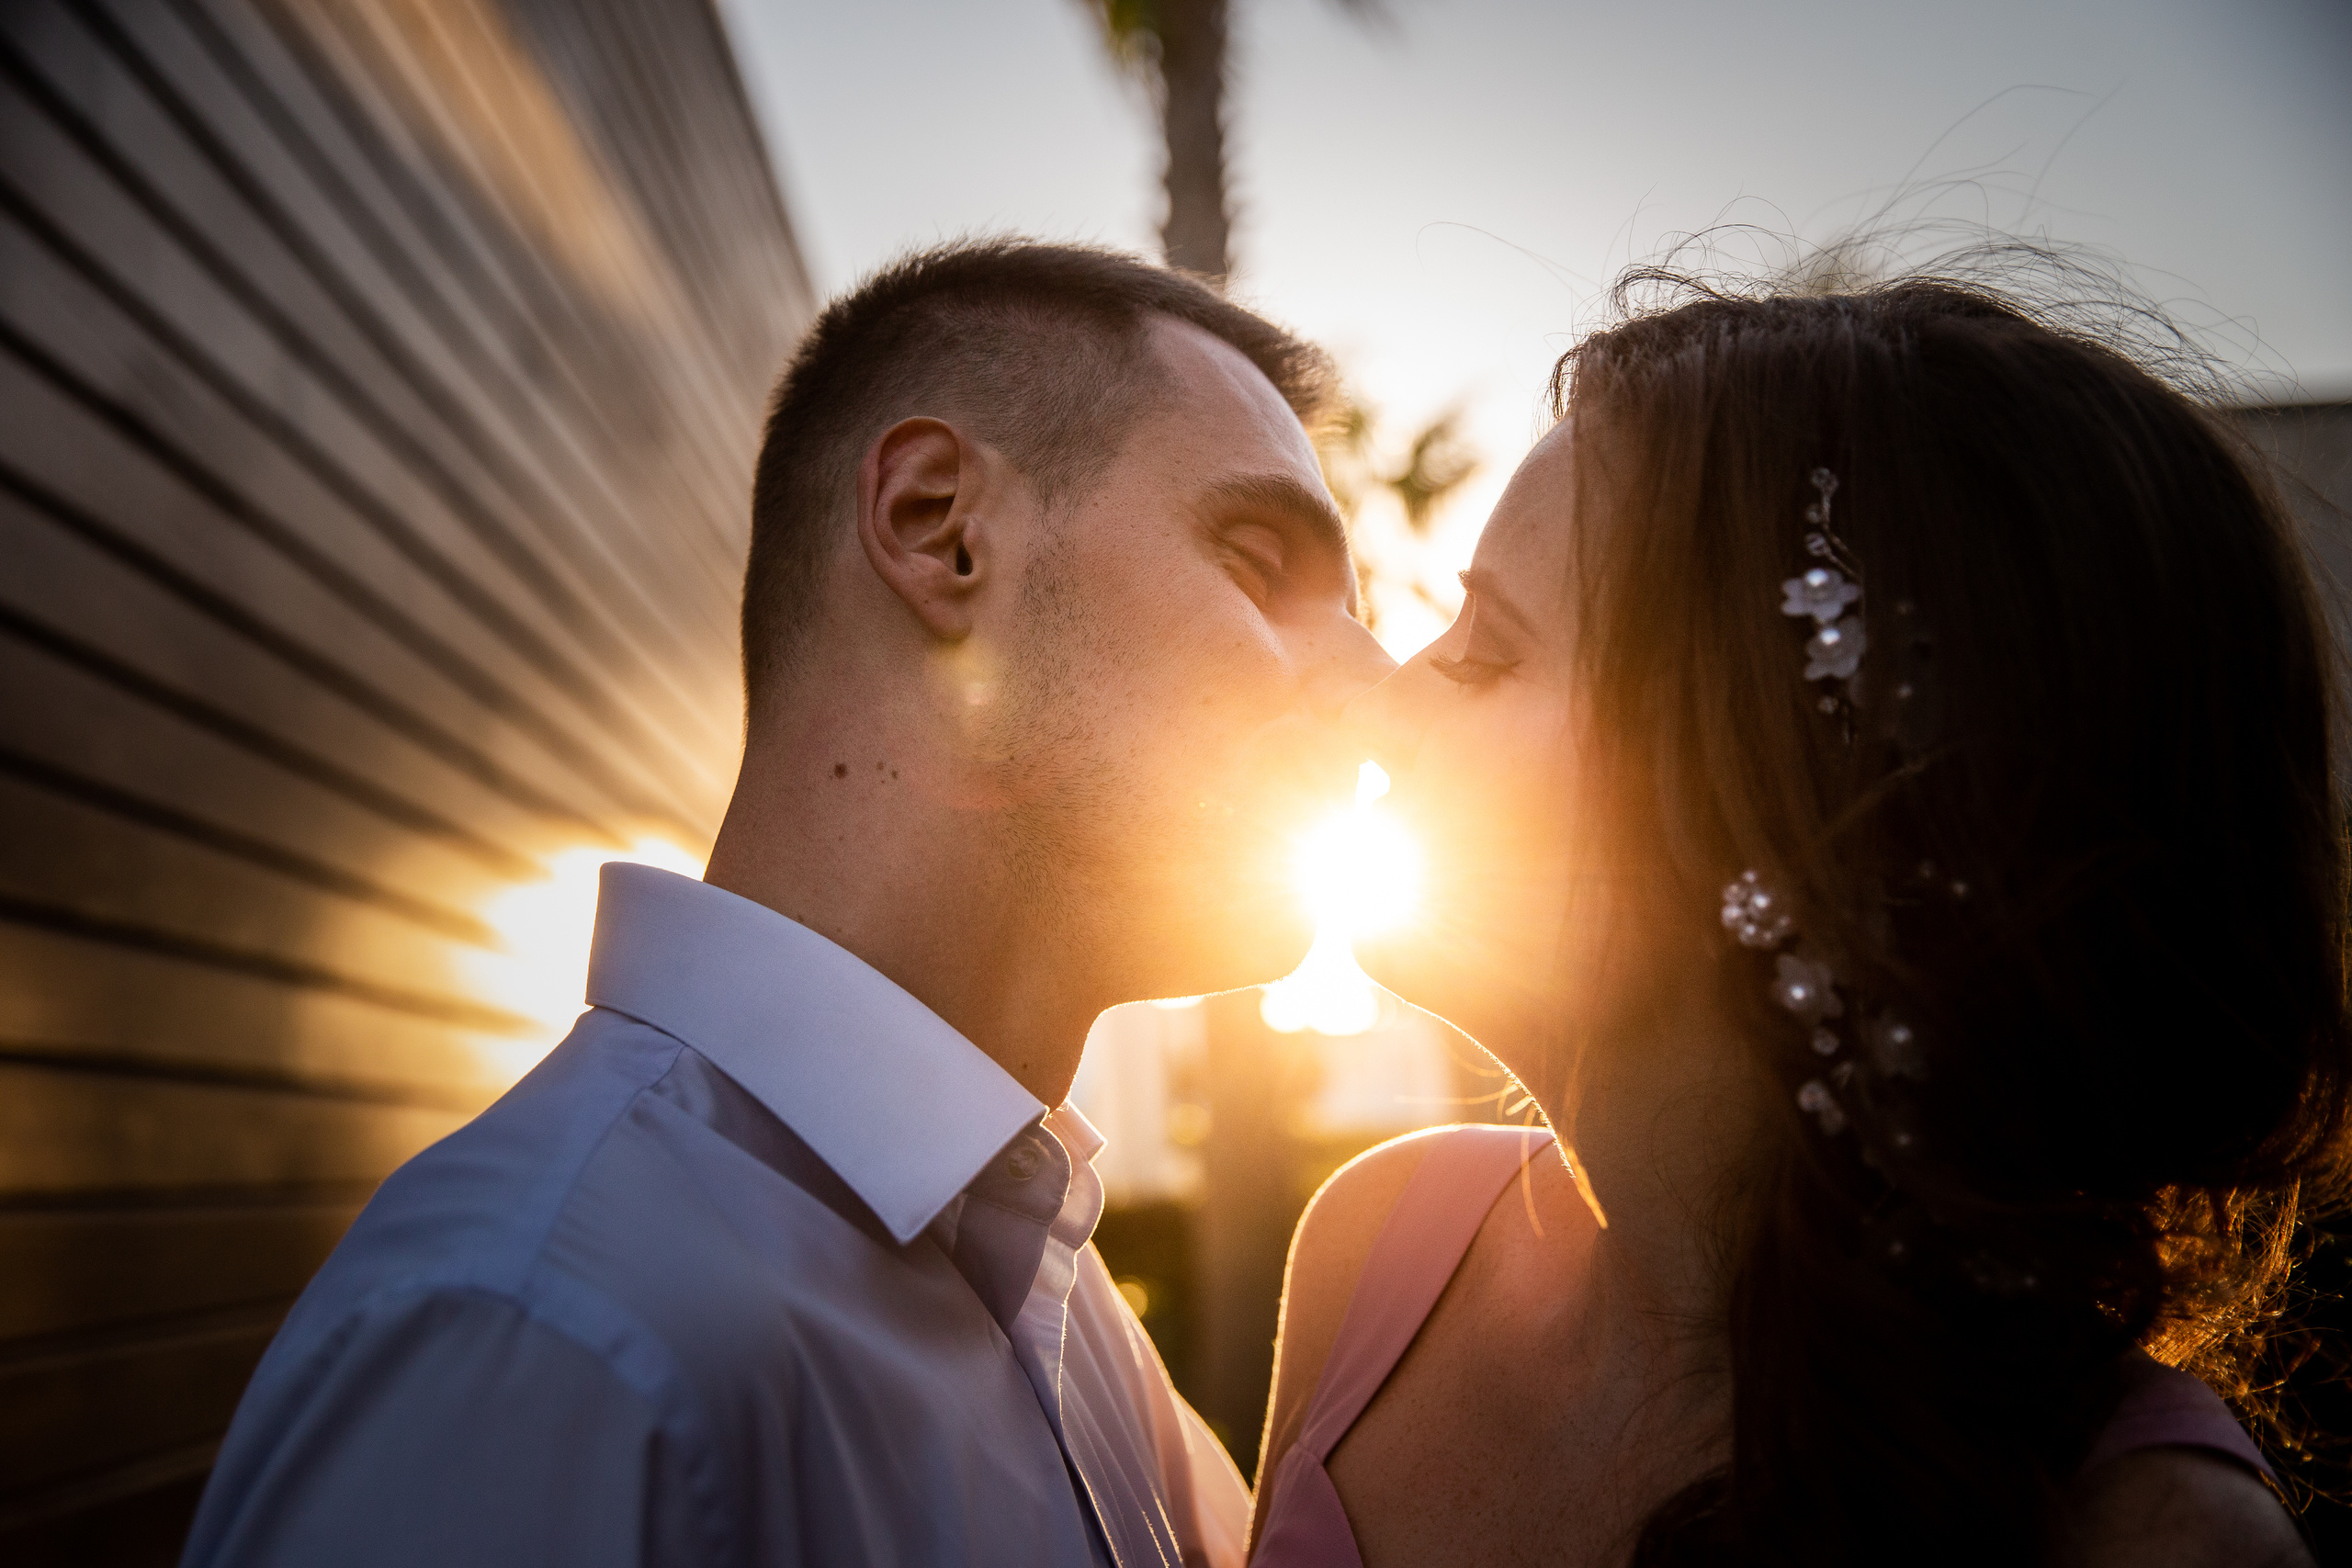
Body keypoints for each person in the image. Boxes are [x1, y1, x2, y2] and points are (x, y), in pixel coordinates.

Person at [182, 240, 1391, 1568]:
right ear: (942, 530)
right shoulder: (534, 1337)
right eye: (1257, 560)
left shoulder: (1055, 1294)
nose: (1372, 683)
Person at [1250, 274, 2347, 1567]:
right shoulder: (1380, 1250)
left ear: (1779, 795)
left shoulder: (2150, 1537)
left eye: (1488, 650)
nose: (1383, 705)